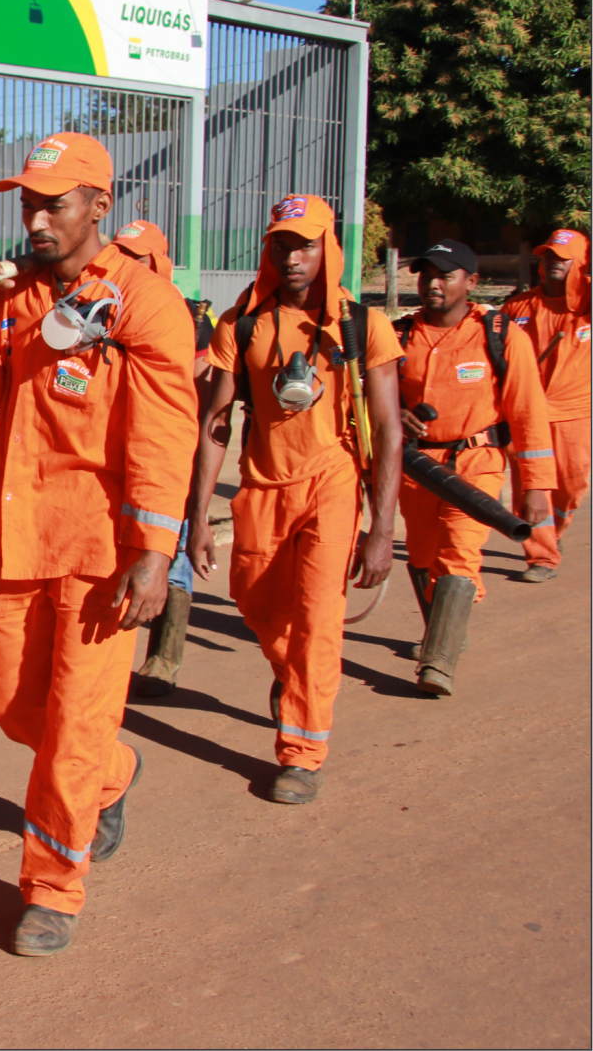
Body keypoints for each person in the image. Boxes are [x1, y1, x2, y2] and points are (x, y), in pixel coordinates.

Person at [0, 133, 196, 956]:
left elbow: (165, 430)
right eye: (28, 202)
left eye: (55, 202)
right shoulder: (17, 292)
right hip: (16, 535)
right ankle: (114, 774)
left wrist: (155, 546)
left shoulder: (144, 303)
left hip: (100, 547)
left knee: (75, 726)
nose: (37, 217)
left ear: (99, 206)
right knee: (10, 703)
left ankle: (53, 886)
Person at [187, 194, 402, 802]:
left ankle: (301, 753)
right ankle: (297, 678)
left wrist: (381, 529)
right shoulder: (243, 324)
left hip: (331, 484)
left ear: (329, 248)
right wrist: (198, 516)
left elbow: (387, 429)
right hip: (261, 487)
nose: (293, 257)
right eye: (282, 244)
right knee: (255, 605)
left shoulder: (363, 327)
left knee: (317, 620)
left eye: (306, 244)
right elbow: (216, 424)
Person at [393, 239, 553, 694]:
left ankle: (437, 662)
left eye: (445, 275)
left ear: (472, 282)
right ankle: (445, 630)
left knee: (458, 553)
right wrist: (394, 411)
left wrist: (536, 486)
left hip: (477, 462)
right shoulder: (400, 336)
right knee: (423, 556)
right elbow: (372, 397)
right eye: (426, 275)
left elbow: (528, 411)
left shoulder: (499, 334)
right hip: (417, 466)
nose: (433, 284)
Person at [111, 220, 216, 699]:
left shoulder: (192, 318)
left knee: (171, 551)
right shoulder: (96, 308)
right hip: (117, 451)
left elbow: (199, 390)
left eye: (139, 260)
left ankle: (163, 658)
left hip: (172, 448)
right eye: (121, 256)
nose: (126, 268)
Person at [501, 229, 590, 583]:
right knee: (529, 484)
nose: (553, 262)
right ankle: (541, 555)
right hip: (526, 413)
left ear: (581, 263)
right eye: (549, 255)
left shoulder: (587, 306)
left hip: (575, 412)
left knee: (571, 484)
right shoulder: (518, 307)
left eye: (563, 257)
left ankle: (556, 531)